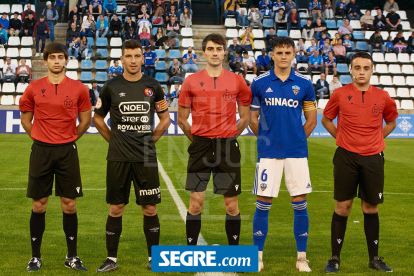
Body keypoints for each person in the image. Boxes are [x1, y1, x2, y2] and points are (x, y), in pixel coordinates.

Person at [93, 39, 171, 273]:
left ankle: (152, 258)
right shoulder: (111, 86)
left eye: (137, 56)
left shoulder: (153, 86)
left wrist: (149, 141)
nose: (134, 60)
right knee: (116, 208)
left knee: (150, 208)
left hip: (145, 158)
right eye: (129, 56)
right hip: (118, 158)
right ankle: (111, 259)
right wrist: (115, 140)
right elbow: (97, 118)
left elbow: (165, 119)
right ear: (122, 59)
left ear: (142, 58)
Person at [322, 52, 398, 273]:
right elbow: (326, 119)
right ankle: (335, 258)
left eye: (366, 68)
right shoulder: (340, 94)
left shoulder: (383, 96)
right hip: (346, 157)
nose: (361, 72)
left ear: (372, 70)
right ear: (351, 70)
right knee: (342, 207)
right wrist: (340, 138)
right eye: (357, 68)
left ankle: (374, 259)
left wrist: (377, 139)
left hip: (373, 157)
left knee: (370, 207)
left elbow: (392, 122)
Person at [19, 42, 91, 272]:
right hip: (41, 151)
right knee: (39, 204)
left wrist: (67, 139)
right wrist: (41, 138)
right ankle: (35, 257)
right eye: (53, 57)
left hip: (67, 151)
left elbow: (86, 121)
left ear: (66, 60)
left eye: (61, 57)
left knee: (69, 204)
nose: (57, 61)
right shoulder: (33, 87)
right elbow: (26, 120)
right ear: (46, 61)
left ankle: (72, 256)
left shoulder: (79, 88)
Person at [177, 33, 251, 249]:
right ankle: (191, 252)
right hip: (200, 146)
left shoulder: (237, 81)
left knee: (231, 204)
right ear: (204, 52)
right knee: (196, 203)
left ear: (224, 52)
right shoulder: (190, 81)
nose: (215, 53)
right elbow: (182, 120)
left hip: (227, 146)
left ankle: (233, 253)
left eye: (219, 49)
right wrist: (201, 139)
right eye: (210, 49)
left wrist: (227, 136)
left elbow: (245, 117)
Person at [250, 35, 317, 273]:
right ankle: (257, 257)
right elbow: (252, 118)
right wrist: (267, 140)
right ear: (272, 55)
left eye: (288, 52)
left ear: (294, 55)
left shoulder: (305, 84)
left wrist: (296, 140)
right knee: (263, 203)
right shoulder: (258, 83)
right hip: (268, 153)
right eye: (279, 53)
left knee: (300, 203)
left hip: (296, 153)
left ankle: (301, 258)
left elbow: (311, 120)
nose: (283, 57)